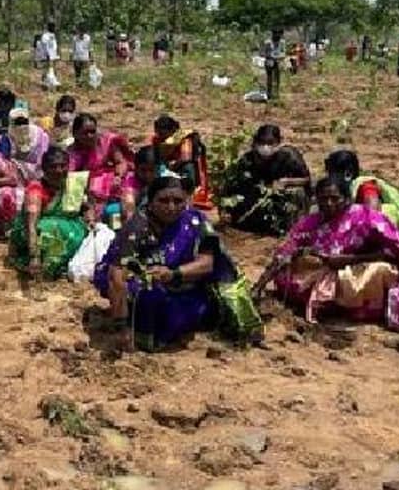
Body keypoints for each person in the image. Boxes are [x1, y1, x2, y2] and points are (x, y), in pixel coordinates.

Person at [253, 177, 399, 348]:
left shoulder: (368, 218)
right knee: (292, 268)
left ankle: (358, 308)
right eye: (323, 199)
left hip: (358, 271)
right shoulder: (312, 221)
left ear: (347, 199)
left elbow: (395, 253)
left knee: (378, 273)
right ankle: (328, 302)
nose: (328, 204)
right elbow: (285, 251)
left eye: (334, 199)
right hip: (324, 271)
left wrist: (351, 259)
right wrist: (259, 286)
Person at [95, 176, 260, 351]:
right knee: (150, 297)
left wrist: (174, 273)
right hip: (143, 288)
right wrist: (121, 327)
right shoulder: (135, 229)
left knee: (201, 311)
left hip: (182, 283)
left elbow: (207, 263)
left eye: (178, 201)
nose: (171, 207)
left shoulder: (195, 221)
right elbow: (117, 275)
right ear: (150, 203)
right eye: (164, 201)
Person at [323, 149, 399, 262]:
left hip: (383, 239)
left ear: (348, 173)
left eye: (332, 174)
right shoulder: (341, 192)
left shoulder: (365, 186)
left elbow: (374, 217)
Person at [8, 146, 90, 280]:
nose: (59, 171)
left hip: (68, 229)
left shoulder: (73, 184)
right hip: (33, 236)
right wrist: (34, 256)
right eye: (53, 167)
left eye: (63, 166)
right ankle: (43, 266)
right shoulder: (36, 189)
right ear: (44, 169)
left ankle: (60, 262)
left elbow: (86, 207)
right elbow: (31, 224)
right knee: (48, 229)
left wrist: (90, 220)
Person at [218, 124, 311, 236]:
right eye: (262, 142)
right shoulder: (248, 159)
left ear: (278, 142)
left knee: (297, 193)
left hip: (283, 197)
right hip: (260, 197)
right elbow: (234, 184)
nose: (266, 147)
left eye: (270, 143)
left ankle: (292, 225)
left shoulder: (289, 156)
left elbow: (306, 179)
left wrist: (286, 182)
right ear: (256, 143)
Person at [67, 113, 134, 226]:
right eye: (85, 133)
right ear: (75, 134)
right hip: (87, 186)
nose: (90, 136)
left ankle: (129, 223)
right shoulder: (72, 153)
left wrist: (118, 177)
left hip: (111, 180)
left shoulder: (104, 142)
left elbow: (120, 162)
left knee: (129, 186)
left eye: (92, 132)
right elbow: (72, 177)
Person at [150, 115, 214, 212]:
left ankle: (189, 190)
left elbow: (186, 158)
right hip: (166, 166)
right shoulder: (156, 139)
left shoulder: (184, 140)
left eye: (163, 133)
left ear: (172, 131)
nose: (160, 135)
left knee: (188, 167)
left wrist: (173, 167)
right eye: (158, 132)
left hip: (181, 168)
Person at [0, 107, 50, 183]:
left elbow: (44, 156)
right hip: (17, 175)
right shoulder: (7, 139)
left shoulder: (39, 135)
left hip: (39, 173)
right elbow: (2, 157)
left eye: (24, 122)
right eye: (18, 123)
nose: (22, 125)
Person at [263, 29, 284, 100]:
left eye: (279, 35)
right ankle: (269, 94)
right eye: (276, 34)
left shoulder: (282, 42)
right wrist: (271, 57)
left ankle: (276, 94)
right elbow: (264, 53)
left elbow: (283, 52)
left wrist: (278, 57)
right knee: (270, 79)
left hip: (278, 61)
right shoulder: (268, 43)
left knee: (277, 79)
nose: (278, 36)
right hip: (269, 62)